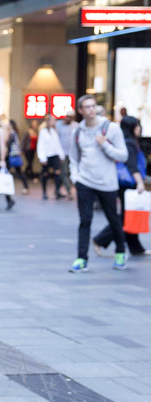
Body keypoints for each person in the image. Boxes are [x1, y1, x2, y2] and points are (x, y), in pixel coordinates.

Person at [68, 95, 130, 272]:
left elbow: (123, 155)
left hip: (107, 182)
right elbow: (73, 157)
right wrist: (75, 177)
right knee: (85, 220)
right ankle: (81, 259)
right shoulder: (77, 132)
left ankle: (120, 252)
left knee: (113, 218)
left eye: (93, 106)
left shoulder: (110, 129)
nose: (91, 110)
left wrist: (105, 145)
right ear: (80, 111)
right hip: (85, 181)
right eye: (87, 107)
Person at [94, 115, 147, 256]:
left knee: (128, 214)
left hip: (123, 182)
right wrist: (140, 182)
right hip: (127, 183)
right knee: (125, 216)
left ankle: (135, 247)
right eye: (137, 125)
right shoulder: (129, 143)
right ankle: (100, 239)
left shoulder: (125, 141)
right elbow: (131, 165)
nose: (139, 128)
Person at [37, 114, 67, 200]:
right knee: (45, 174)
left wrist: (61, 155)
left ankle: (57, 191)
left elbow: (57, 144)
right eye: (53, 120)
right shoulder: (43, 132)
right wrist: (42, 157)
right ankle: (44, 192)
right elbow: (41, 145)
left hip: (55, 155)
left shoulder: (54, 131)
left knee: (57, 173)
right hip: (47, 156)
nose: (55, 122)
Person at [56, 111, 78, 198]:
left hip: (73, 153)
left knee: (70, 172)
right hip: (62, 153)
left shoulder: (76, 125)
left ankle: (57, 190)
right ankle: (69, 191)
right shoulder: (59, 125)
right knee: (63, 172)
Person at [6, 120, 30, 194]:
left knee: (17, 171)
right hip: (14, 155)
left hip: (13, 155)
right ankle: (25, 186)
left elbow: (9, 144)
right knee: (18, 172)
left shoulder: (12, 133)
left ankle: (25, 187)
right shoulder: (14, 133)